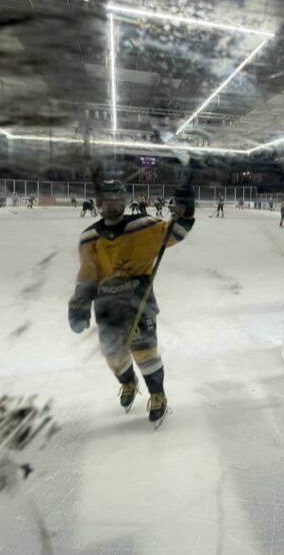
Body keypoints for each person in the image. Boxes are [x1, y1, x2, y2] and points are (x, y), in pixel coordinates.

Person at [68, 179, 196, 427]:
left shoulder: (144, 226)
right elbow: (87, 274)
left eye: (117, 198)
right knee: (113, 356)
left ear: (124, 201)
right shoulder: (88, 238)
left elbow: (176, 231)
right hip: (106, 305)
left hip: (139, 300)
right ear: (99, 203)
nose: (112, 204)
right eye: (107, 199)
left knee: (145, 352)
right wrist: (80, 304)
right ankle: (128, 381)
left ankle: (157, 394)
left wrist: (185, 210)